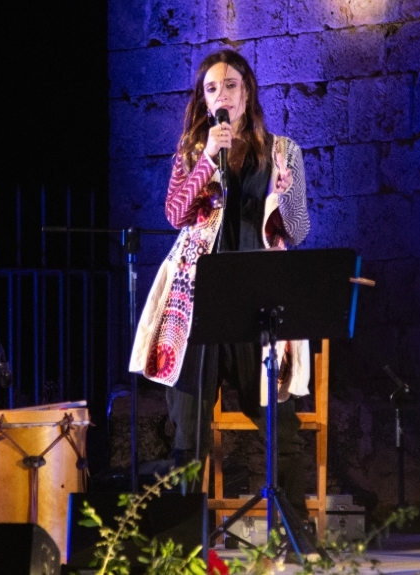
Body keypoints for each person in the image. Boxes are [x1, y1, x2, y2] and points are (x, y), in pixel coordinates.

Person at [129, 49, 311, 518]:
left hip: (259, 301)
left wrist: (285, 195)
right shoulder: (193, 151)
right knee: (188, 430)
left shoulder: (284, 151)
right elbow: (175, 215)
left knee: (278, 422)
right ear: (204, 100)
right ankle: (186, 534)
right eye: (212, 89)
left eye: (230, 85)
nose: (222, 95)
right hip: (198, 303)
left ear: (247, 93)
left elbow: (298, 230)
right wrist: (208, 159)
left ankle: (292, 531)